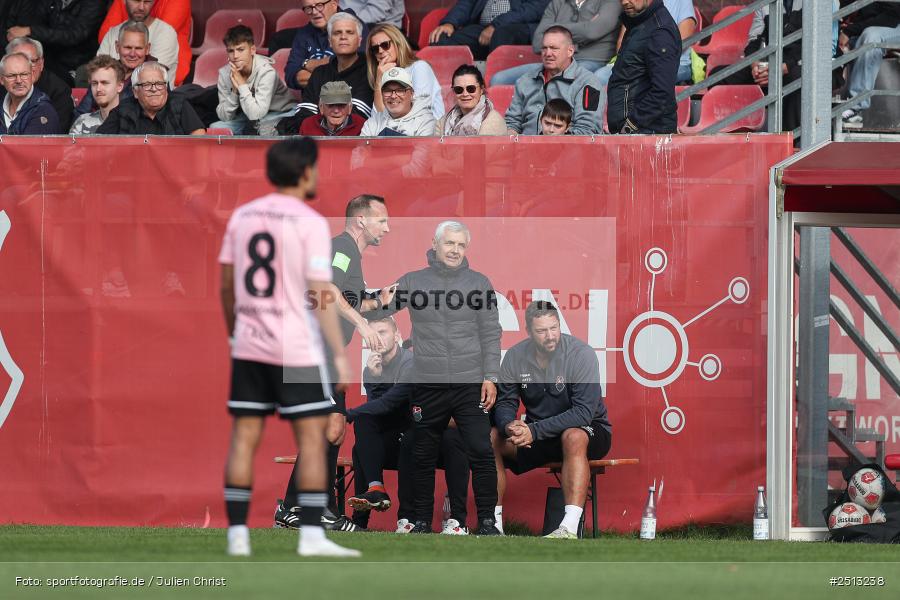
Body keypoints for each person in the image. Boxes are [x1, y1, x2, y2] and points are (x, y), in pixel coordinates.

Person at [218, 137, 360, 558]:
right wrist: (337, 352)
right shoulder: (310, 223)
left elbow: (227, 285)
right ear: (304, 172)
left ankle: (238, 536)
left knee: (244, 437)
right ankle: (312, 536)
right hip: (296, 346)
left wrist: (234, 333)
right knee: (314, 437)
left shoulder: (243, 216)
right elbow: (320, 292)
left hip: (250, 345)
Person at [275, 194, 395, 532]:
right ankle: (306, 507)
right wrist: (362, 323)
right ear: (361, 221)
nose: (387, 228)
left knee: (331, 430)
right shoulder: (342, 249)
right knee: (329, 429)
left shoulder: (349, 256)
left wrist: (385, 302)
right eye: (381, 221)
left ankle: (308, 508)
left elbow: (349, 299)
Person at [378, 220, 502, 535]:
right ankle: (420, 520)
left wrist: (490, 376)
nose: (455, 251)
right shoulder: (413, 281)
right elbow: (377, 306)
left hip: (468, 383)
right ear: (435, 244)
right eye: (450, 244)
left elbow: (490, 333)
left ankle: (487, 521)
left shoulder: (479, 283)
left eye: (461, 245)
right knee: (422, 453)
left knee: (481, 449)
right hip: (427, 383)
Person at [492, 301, 611, 539]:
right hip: (539, 434)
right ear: (528, 331)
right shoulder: (515, 356)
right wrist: (510, 425)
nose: (549, 336)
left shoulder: (581, 354)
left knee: (573, 435)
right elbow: (506, 402)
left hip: (589, 431)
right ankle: (492, 525)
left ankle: (568, 527)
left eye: (553, 328)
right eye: (541, 331)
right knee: (493, 437)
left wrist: (533, 431)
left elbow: (583, 413)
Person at [345, 317, 472, 534]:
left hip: (425, 434)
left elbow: (389, 404)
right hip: (400, 432)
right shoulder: (372, 368)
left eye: (383, 332)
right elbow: (376, 412)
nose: (377, 339)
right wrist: (374, 380)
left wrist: (343, 414)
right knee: (363, 434)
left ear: (397, 336)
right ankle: (371, 498)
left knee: (411, 439)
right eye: (372, 334)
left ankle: (412, 517)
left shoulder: (411, 363)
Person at [490, 0, 622, 86]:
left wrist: (553, 28)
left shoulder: (611, 2)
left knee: (543, 84)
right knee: (498, 79)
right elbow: (537, 42)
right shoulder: (557, 2)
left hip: (590, 61)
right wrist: (580, 31)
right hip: (554, 61)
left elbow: (591, 31)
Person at [504, 26, 603, 135]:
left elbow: (588, 129)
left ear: (570, 51)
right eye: (544, 48)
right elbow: (512, 122)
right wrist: (511, 135)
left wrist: (549, 146)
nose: (548, 53)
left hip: (568, 149)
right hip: (524, 148)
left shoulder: (588, 82)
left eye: (554, 48)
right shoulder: (525, 80)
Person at [606, 0, 680, 135]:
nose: (624, 2)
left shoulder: (659, 31)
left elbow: (662, 91)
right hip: (635, 133)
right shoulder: (639, 23)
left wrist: (630, 125)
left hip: (647, 133)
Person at [290, 12, 373, 128]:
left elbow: (358, 116)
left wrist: (320, 117)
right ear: (330, 41)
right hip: (316, 139)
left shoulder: (369, 70)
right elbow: (303, 114)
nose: (343, 37)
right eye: (337, 33)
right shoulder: (320, 72)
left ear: (359, 41)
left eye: (349, 32)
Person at [210, 25, 295, 136]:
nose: (235, 56)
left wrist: (241, 85)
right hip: (248, 116)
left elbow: (256, 114)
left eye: (241, 49)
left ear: (252, 50)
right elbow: (224, 116)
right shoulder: (225, 73)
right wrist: (234, 92)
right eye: (231, 51)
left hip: (280, 113)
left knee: (263, 129)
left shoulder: (266, 72)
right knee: (216, 128)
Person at [5, 0, 106, 86]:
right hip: (48, 54)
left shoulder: (95, 2)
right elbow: (37, 19)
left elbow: (75, 35)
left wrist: (31, 31)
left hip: (76, 61)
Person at [596, 0, 696, 87]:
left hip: (673, 62)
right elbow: (621, 43)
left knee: (642, 80)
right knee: (599, 77)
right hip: (635, 62)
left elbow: (682, 40)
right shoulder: (637, 3)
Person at [96, 61, 205, 134]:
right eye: (146, 85)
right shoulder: (123, 110)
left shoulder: (180, 104)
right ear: (135, 92)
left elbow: (200, 142)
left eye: (159, 83)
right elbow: (98, 142)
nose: (154, 89)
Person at [97, 0, 190, 86]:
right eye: (136, 0)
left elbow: (150, 79)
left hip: (149, 100)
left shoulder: (166, 32)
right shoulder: (112, 32)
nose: (141, 7)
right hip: (111, 98)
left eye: (147, 1)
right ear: (124, 1)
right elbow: (99, 73)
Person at [75, 22, 155, 118]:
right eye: (128, 47)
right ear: (117, 47)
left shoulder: (156, 77)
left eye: (138, 48)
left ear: (147, 49)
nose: (132, 54)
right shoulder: (105, 71)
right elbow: (81, 112)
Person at [840, 2, 900, 127]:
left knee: (871, 36)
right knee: (851, 40)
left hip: (894, 22)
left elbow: (890, 18)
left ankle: (856, 106)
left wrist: (850, 30)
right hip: (872, 25)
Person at [285, 0, 369, 90]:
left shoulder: (353, 26)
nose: (314, 12)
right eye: (308, 8)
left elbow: (352, 65)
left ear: (334, 4)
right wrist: (331, 71)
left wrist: (306, 63)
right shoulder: (303, 34)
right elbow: (291, 76)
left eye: (319, 5)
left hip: (350, 97)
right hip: (312, 99)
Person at [427, 0, 550, 61]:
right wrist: (450, 23)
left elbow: (534, 9)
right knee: (441, 38)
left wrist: (497, 25)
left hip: (516, 28)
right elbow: (467, 3)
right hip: (483, 29)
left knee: (501, 34)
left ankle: (490, 85)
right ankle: (454, 83)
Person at [366, 23, 443, 119]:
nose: (380, 51)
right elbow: (378, 118)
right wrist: (378, 82)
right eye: (375, 49)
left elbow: (419, 111)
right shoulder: (383, 76)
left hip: (427, 131)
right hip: (394, 132)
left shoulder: (419, 67)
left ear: (398, 43)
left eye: (385, 45)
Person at [3, 36, 72, 131]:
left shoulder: (59, 91)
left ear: (42, 63)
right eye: (18, 60)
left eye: (32, 61)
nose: (27, 66)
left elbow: (57, 136)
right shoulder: (5, 86)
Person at [361, 66, 435, 137]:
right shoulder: (373, 122)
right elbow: (361, 149)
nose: (393, 96)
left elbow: (424, 150)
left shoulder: (426, 122)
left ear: (412, 93)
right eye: (388, 91)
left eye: (400, 90)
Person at [435, 64, 506, 136]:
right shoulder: (442, 123)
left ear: (481, 89)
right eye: (459, 89)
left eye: (471, 89)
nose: (465, 94)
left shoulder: (493, 121)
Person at [0, 51, 60, 134]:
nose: (18, 81)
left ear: (32, 76)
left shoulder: (43, 110)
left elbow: (29, 147)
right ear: (1, 79)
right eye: (12, 76)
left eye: (24, 74)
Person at [70, 54, 125, 134]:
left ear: (119, 86)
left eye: (104, 83)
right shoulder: (82, 123)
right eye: (94, 83)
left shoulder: (131, 122)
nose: (98, 89)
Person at [298, 80, 366, 136]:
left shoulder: (362, 126)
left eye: (341, 105)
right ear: (321, 107)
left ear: (350, 108)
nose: (336, 111)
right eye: (330, 105)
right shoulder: (308, 125)